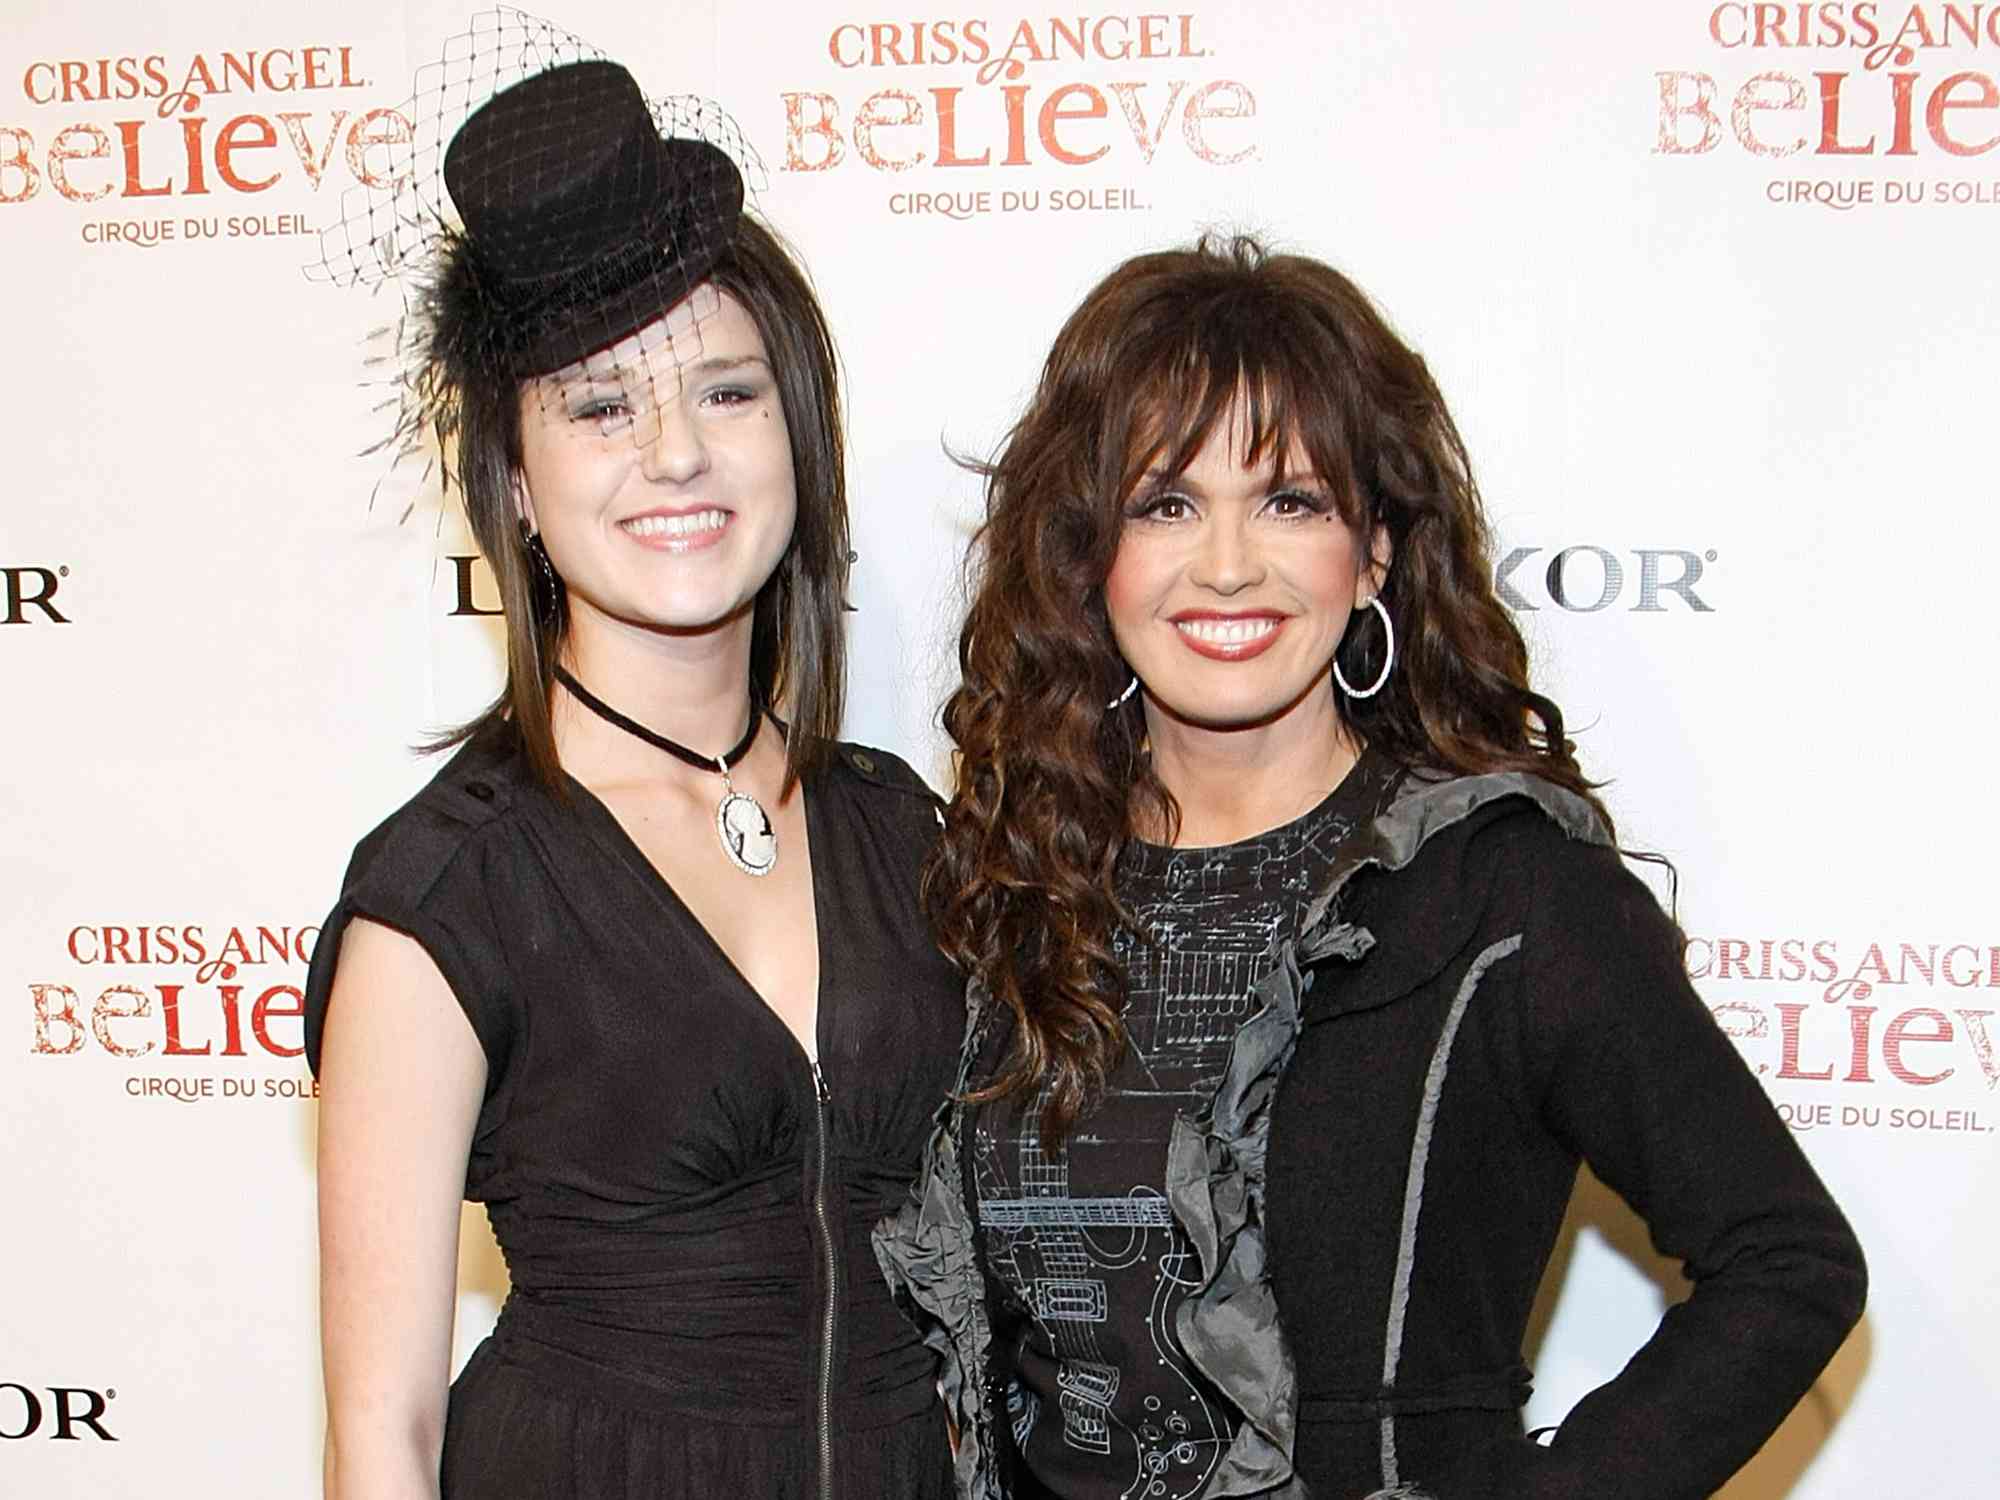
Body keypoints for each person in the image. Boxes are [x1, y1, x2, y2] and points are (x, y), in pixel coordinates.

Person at [876, 235, 1866, 1500]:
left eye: (1289, 501)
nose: (1226, 563)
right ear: (1088, 556)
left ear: (1375, 553)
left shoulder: (1495, 894)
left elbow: (1787, 1263)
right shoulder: (1016, 892)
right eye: (1164, 503)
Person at [305, 33, 961, 1500]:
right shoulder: (451, 889)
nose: (674, 454)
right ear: (520, 489)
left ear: (799, 431)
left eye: (727, 394)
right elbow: (380, 1434)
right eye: (602, 408)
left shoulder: (898, 834)